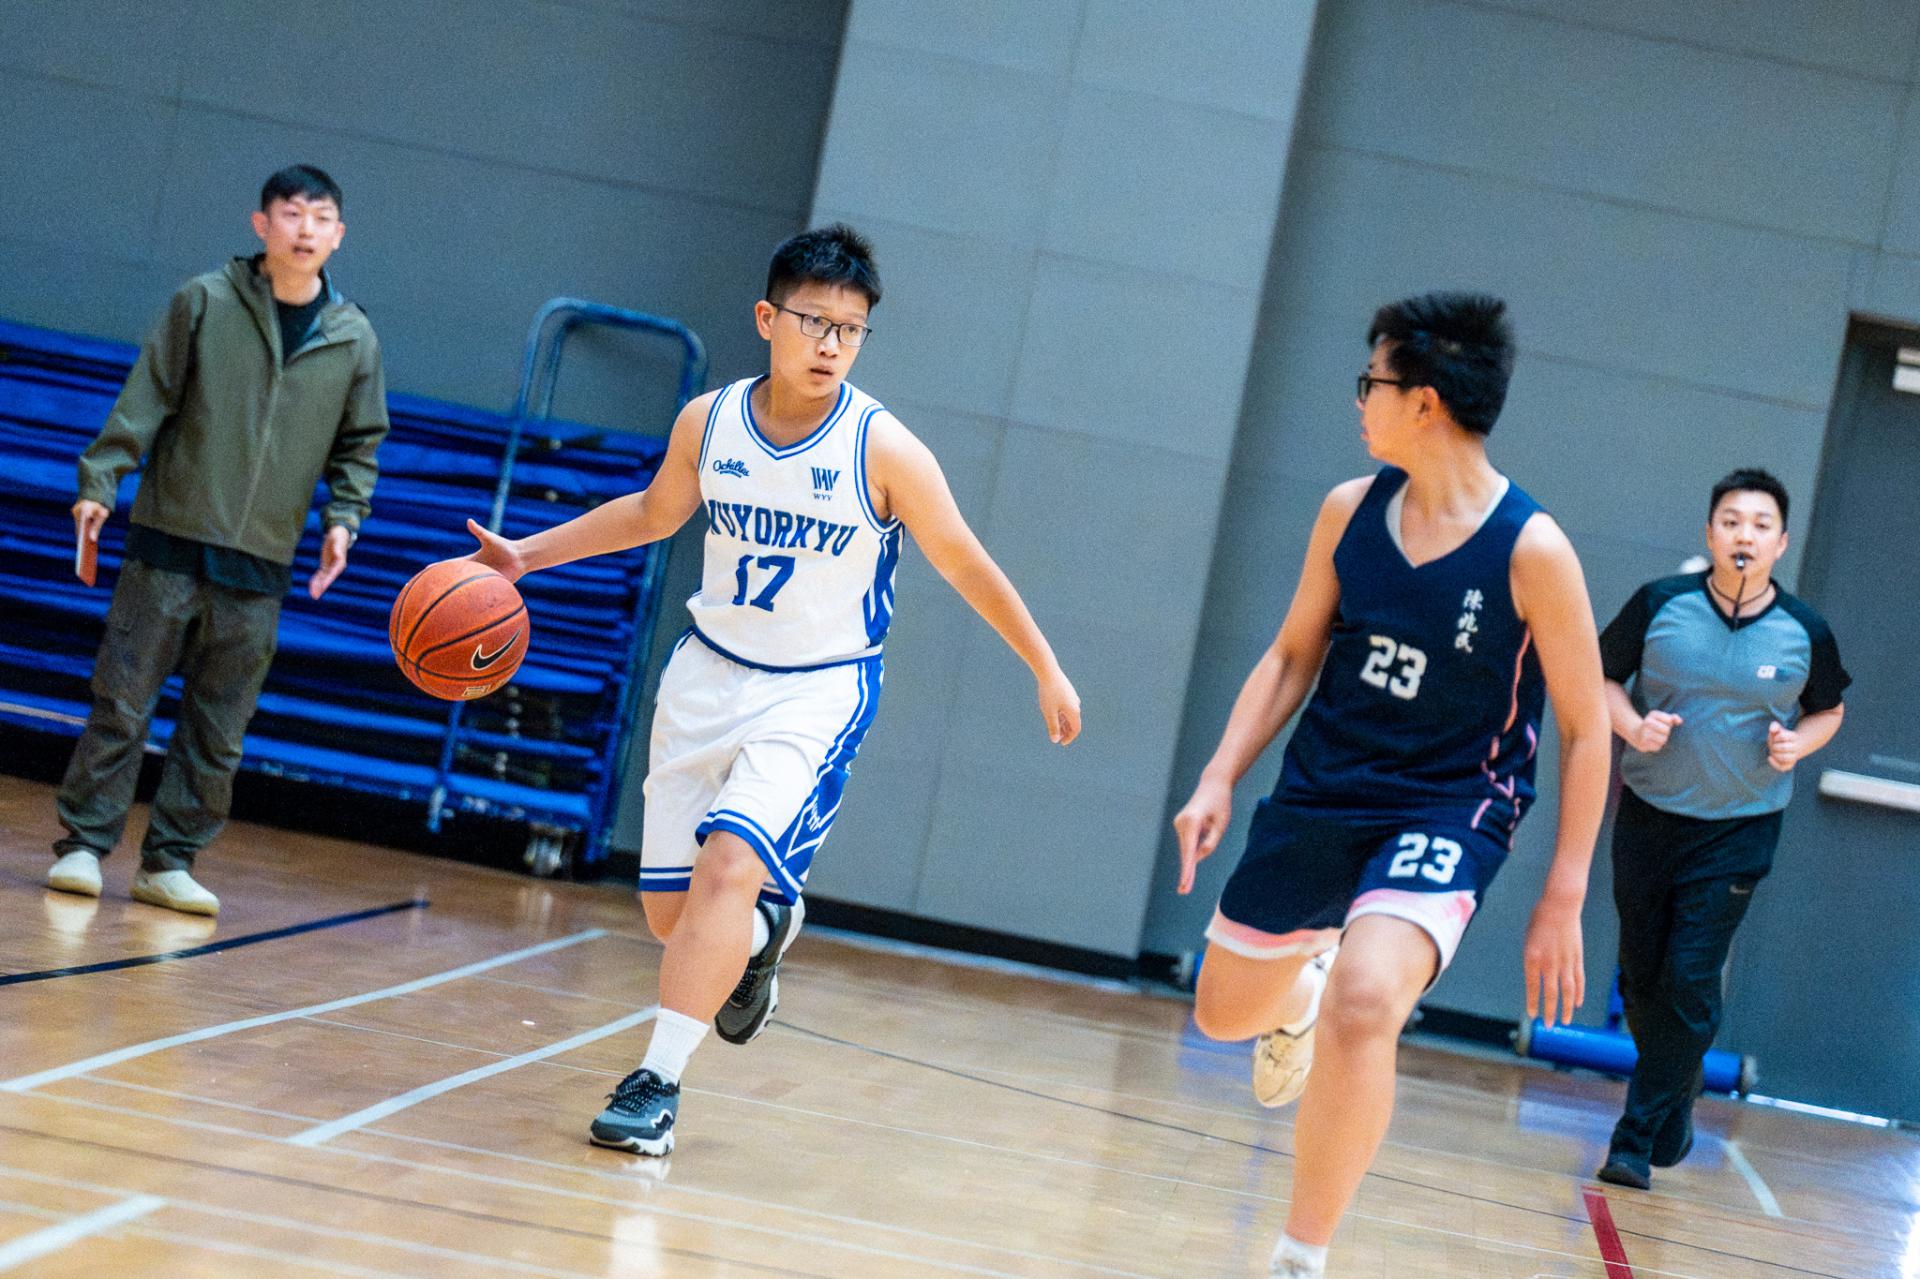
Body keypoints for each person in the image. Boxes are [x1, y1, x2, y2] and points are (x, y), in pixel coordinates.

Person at [462, 224, 1081, 1156]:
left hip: (815, 692)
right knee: (675, 918)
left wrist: (1044, 661)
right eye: (814, 321)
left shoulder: (883, 448)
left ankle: (655, 1084)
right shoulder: (708, 421)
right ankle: (763, 932)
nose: (831, 343)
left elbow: (963, 557)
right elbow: (651, 511)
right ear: (768, 318)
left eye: (852, 329)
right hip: (707, 673)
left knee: (725, 869)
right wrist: (526, 558)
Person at [1171, 293, 1610, 1278]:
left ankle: (1299, 1254)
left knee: (1368, 1001)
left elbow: (1586, 731)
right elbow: (1290, 658)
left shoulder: (1533, 551)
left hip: (1451, 806)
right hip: (1323, 792)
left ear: (1426, 402)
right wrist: (1216, 778)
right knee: (1221, 1013)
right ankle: (1295, 999)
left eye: (1372, 380)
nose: (1359, 398)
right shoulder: (1349, 510)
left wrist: (1566, 890)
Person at [48, 164, 389, 916]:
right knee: (121, 704)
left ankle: (170, 860)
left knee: (218, 729)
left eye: (320, 216)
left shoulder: (353, 337)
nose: (305, 228)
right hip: (168, 543)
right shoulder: (202, 301)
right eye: (290, 213)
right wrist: (98, 485)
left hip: (260, 564)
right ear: (260, 223)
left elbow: (359, 445)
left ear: (339, 235)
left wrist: (344, 519)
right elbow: (144, 398)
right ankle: (83, 845)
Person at [1593, 468, 1847, 1190]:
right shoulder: (1659, 604)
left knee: (1691, 972)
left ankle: (1635, 1140)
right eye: (1732, 520)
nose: (1745, 534)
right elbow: (1601, 676)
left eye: (1761, 523)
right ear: (1710, 534)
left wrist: (1800, 743)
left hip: (1739, 827)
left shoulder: (1805, 631)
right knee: (1643, 979)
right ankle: (1675, 1096)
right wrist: (1633, 725)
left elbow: (1829, 708)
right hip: (1649, 815)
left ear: (1781, 542)